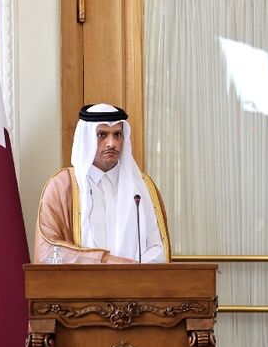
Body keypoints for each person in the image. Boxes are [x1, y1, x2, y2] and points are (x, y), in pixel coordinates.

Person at [35, 104, 170, 264]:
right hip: (81, 286)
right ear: (86, 139)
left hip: (135, 286)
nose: (111, 143)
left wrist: (130, 273)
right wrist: (104, 261)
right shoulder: (62, 186)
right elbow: (48, 250)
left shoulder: (143, 187)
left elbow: (158, 248)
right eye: (102, 134)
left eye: (117, 134)